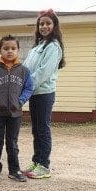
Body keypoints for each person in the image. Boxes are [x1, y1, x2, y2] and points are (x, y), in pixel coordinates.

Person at [0, 35, 33, 182]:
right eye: (6, 48)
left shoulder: (24, 70)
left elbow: (29, 87)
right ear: (0, 50)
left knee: (12, 142)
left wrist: (21, 100)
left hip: (15, 113)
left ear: (18, 50)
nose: (10, 51)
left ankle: (14, 170)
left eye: (13, 48)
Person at [22, 9, 65, 179]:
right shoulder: (37, 47)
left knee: (43, 129)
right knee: (36, 129)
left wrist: (25, 86)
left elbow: (43, 72)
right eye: (41, 23)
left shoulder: (53, 46)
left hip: (44, 94)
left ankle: (44, 166)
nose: (44, 26)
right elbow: (26, 68)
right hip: (34, 93)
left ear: (54, 26)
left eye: (48, 23)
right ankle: (37, 161)